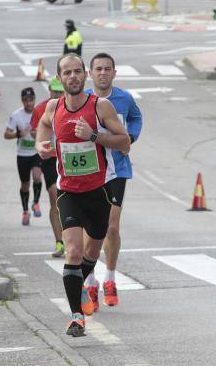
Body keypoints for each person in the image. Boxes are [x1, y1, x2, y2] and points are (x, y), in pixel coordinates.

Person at [35, 53, 131, 337]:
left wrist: (93, 136)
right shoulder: (53, 107)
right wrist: (41, 144)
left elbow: (124, 142)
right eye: (67, 73)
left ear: (85, 75)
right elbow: (43, 125)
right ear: (59, 78)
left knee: (90, 253)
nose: (73, 77)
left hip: (99, 191)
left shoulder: (100, 107)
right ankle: (77, 316)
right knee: (74, 251)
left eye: (77, 71)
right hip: (69, 192)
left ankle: (81, 284)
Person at [83, 53, 143, 311]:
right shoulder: (83, 99)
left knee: (112, 227)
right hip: (90, 169)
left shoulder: (124, 99)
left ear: (114, 73)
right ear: (90, 73)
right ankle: (90, 281)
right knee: (89, 229)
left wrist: (130, 137)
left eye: (107, 69)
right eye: (98, 69)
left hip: (117, 168)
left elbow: (136, 118)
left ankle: (109, 278)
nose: (103, 73)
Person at [31, 77, 66, 258]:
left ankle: (73, 237)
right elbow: (33, 131)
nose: (57, 95)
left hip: (67, 156)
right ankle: (59, 242)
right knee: (55, 198)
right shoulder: (40, 109)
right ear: (50, 90)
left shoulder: (72, 107)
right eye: (55, 91)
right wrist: (41, 136)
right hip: (50, 158)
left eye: (61, 92)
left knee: (70, 198)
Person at [5, 87, 45, 226]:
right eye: (26, 100)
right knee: (25, 185)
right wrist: (17, 134)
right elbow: (6, 134)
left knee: (37, 176)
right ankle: (25, 211)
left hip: (36, 152)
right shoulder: (16, 115)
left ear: (34, 99)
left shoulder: (40, 113)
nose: (29, 103)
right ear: (22, 101)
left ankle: (36, 203)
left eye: (31, 100)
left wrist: (39, 135)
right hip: (22, 155)